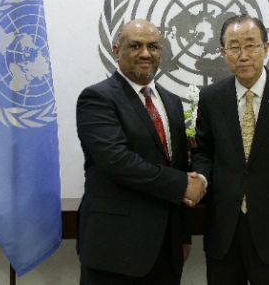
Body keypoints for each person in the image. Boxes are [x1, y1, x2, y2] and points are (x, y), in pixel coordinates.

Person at [191, 14, 269, 285]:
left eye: (251, 45)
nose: (243, 55)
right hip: (225, 227)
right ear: (223, 52)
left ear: (266, 47)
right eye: (234, 47)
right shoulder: (211, 98)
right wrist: (200, 177)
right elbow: (204, 152)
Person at [76, 19, 206, 285]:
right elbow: (118, 162)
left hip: (166, 249)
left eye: (153, 46)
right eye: (135, 46)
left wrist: (183, 235)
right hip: (115, 249)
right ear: (116, 51)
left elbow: (179, 165)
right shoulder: (97, 99)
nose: (146, 53)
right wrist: (183, 184)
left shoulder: (171, 102)